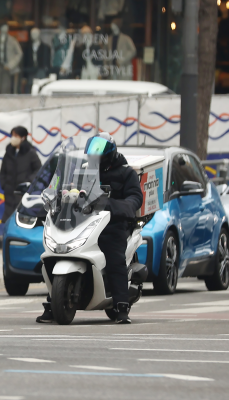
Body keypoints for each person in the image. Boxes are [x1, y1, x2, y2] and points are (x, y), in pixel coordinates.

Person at [36, 132, 143, 324]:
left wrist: (112, 204)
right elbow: (69, 189)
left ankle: (121, 307)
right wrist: (58, 199)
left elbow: (135, 199)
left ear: (109, 154)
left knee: (114, 258)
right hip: (84, 222)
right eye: (92, 154)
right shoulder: (84, 172)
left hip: (113, 224)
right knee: (58, 252)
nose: (95, 158)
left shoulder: (127, 173)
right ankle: (54, 304)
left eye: (99, 155)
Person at [0, 126, 42, 223]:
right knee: (8, 219)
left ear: (23, 137)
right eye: (12, 135)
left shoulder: (30, 153)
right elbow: (3, 171)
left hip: (23, 193)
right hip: (9, 192)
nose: (13, 138)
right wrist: (4, 185)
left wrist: (29, 181)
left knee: (21, 219)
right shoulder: (9, 153)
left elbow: (38, 169)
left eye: (16, 135)